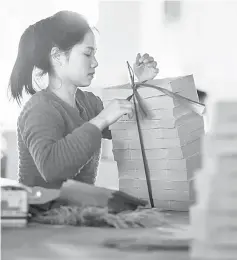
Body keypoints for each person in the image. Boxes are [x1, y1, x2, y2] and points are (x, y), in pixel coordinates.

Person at [9, 11, 159, 208]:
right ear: (57, 56)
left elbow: (133, 127)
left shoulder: (89, 103)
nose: (95, 62)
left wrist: (141, 84)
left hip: (77, 218)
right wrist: (101, 120)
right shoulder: (39, 108)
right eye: (88, 53)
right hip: (39, 222)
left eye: (94, 54)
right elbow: (51, 168)